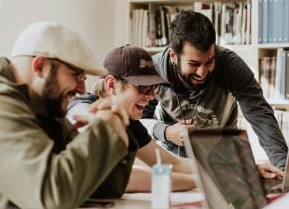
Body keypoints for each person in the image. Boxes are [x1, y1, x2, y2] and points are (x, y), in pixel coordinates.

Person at [0, 22, 136, 209]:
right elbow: (52, 197)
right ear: (40, 67)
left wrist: (116, 125)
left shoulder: (43, 108)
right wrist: (105, 129)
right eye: (77, 76)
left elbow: (104, 188)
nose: (82, 90)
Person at [141, 10, 289, 170]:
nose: (202, 72)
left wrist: (283, 168)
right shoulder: (154, 71)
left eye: (209, 62)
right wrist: (166, 132)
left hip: (224, 162)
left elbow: (261, 116)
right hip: (173, 163)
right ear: (173, 56)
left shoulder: (231, 66)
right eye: (194, 64)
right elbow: (138, 121)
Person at [67, 45, 196, 192]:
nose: (151, 97)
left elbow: (171, 164)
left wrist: (218, 169)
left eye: (153, 88)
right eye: (143, 87)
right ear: (111, 85)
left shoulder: (126, 118)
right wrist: (199, 182)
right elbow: (119, 176)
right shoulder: (81, 109)